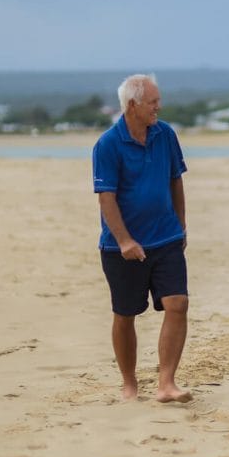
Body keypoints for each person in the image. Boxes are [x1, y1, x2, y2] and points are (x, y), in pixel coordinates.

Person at [92, 73, 192, 403]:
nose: (158, 108)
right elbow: (106, 197)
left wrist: (181, 225)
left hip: (166, 238)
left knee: (178, 304)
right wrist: (124, 241)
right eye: (153, 102)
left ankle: (166, 383)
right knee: (125, 314)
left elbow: (176, 181)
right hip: (122, 247)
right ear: (133, 105)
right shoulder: (107, 144)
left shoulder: (165, 135)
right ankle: (129, 383)